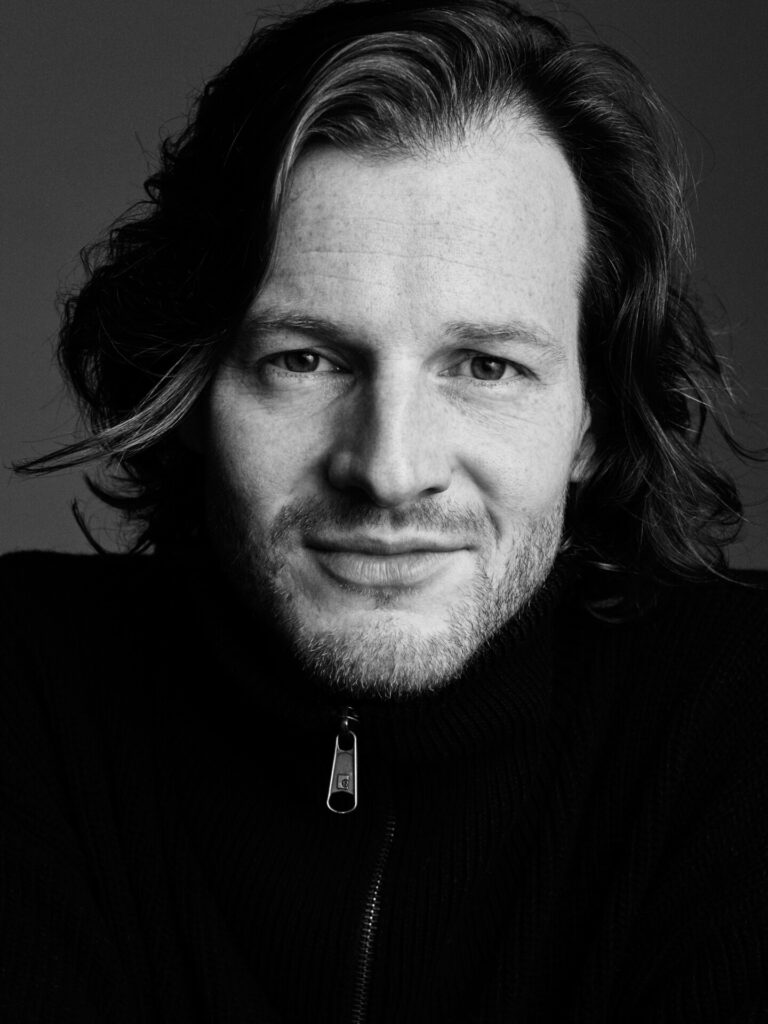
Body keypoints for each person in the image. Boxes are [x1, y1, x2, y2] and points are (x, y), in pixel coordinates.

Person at [3, 0, 767, 1020]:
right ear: (189, 388)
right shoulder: (23, 692)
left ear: (594, 417)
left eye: (486, 365)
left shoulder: (742, 716)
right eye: (305, 359)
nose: (390, 469)